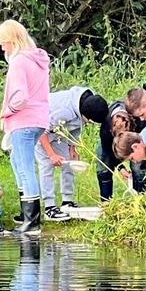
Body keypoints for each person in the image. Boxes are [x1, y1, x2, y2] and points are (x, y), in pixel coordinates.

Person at [0, 19, 50, 234]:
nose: (2, 48)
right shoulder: (37, 60)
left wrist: (7, 111)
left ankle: (32, 221)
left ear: (12, 40)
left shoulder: (18, 61)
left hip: (23, 120)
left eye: (3, 44)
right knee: (17, 161)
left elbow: (20, 97)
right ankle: (25, 214)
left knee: (25, 168)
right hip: (39, 119)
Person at [35, 86, 102, 222]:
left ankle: (67, 202)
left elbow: (76, 128)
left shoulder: (90, 103)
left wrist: (72, 148)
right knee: (47, 166)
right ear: (85, 115)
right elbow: (42, 130)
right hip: (39, 130)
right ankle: (49, 207)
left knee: (68, 164)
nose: (89, 124)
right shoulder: (65, 110)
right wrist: (51, 154)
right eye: (90, 121)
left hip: (58, 132)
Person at [97, 100, 146, 200]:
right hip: (108, 145)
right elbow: (109, 151)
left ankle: (140, 199)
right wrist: (121, 168)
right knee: (103, 167)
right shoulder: (105, 131)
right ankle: (106, 202)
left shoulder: (138, 117)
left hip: (137, 139)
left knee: (138, 166)